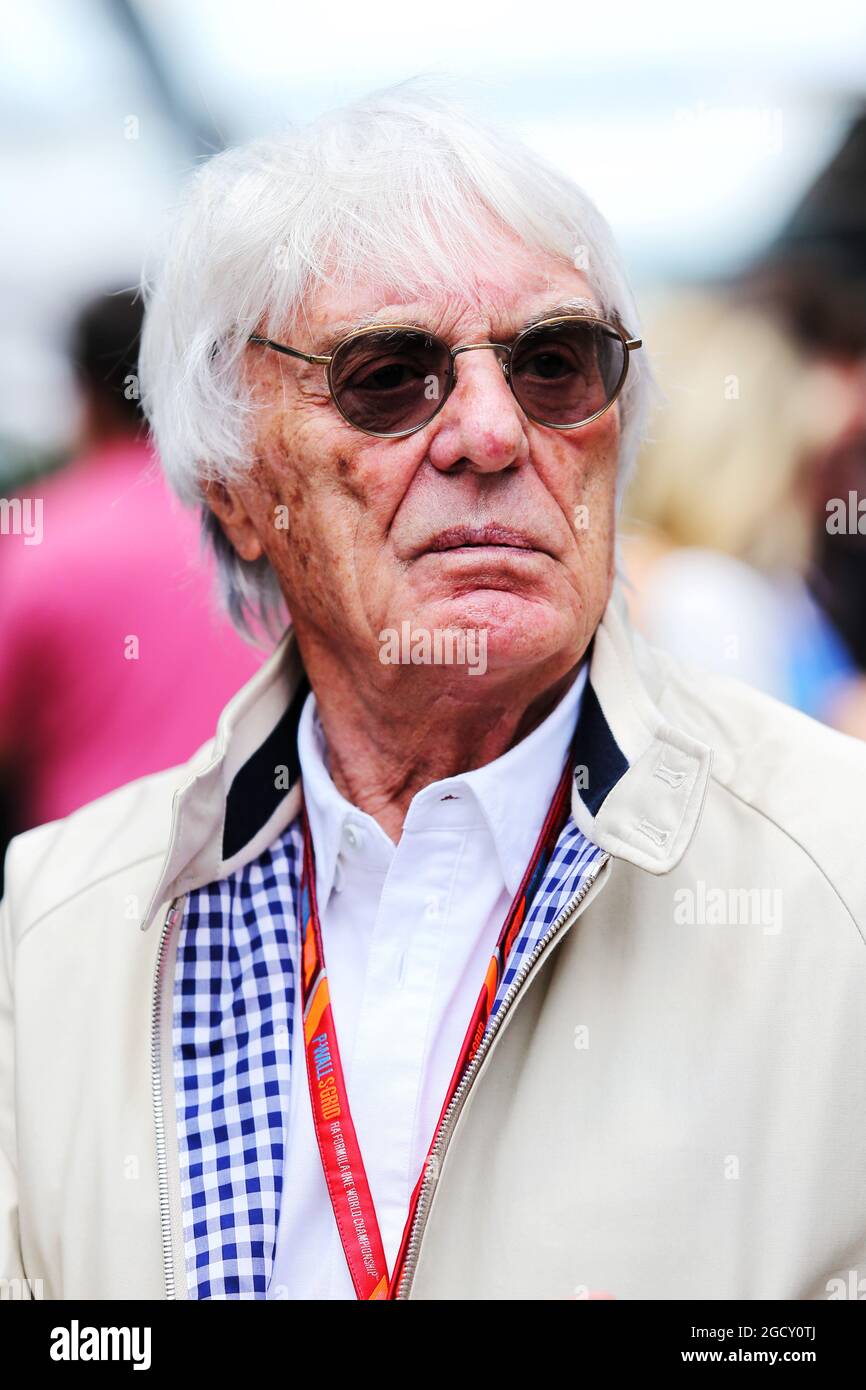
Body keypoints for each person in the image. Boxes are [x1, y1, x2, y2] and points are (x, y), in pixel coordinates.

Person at [2, 84, 866, 1302]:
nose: (487, 432)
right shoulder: (59, 929)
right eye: (388, 375)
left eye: (554, 365)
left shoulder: (838, 874)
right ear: (236, 490)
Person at [0, 290, 263, 844]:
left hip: (82, 883)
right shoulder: (249, 523)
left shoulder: (42, 538)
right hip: (251, 858)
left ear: (84, 394)